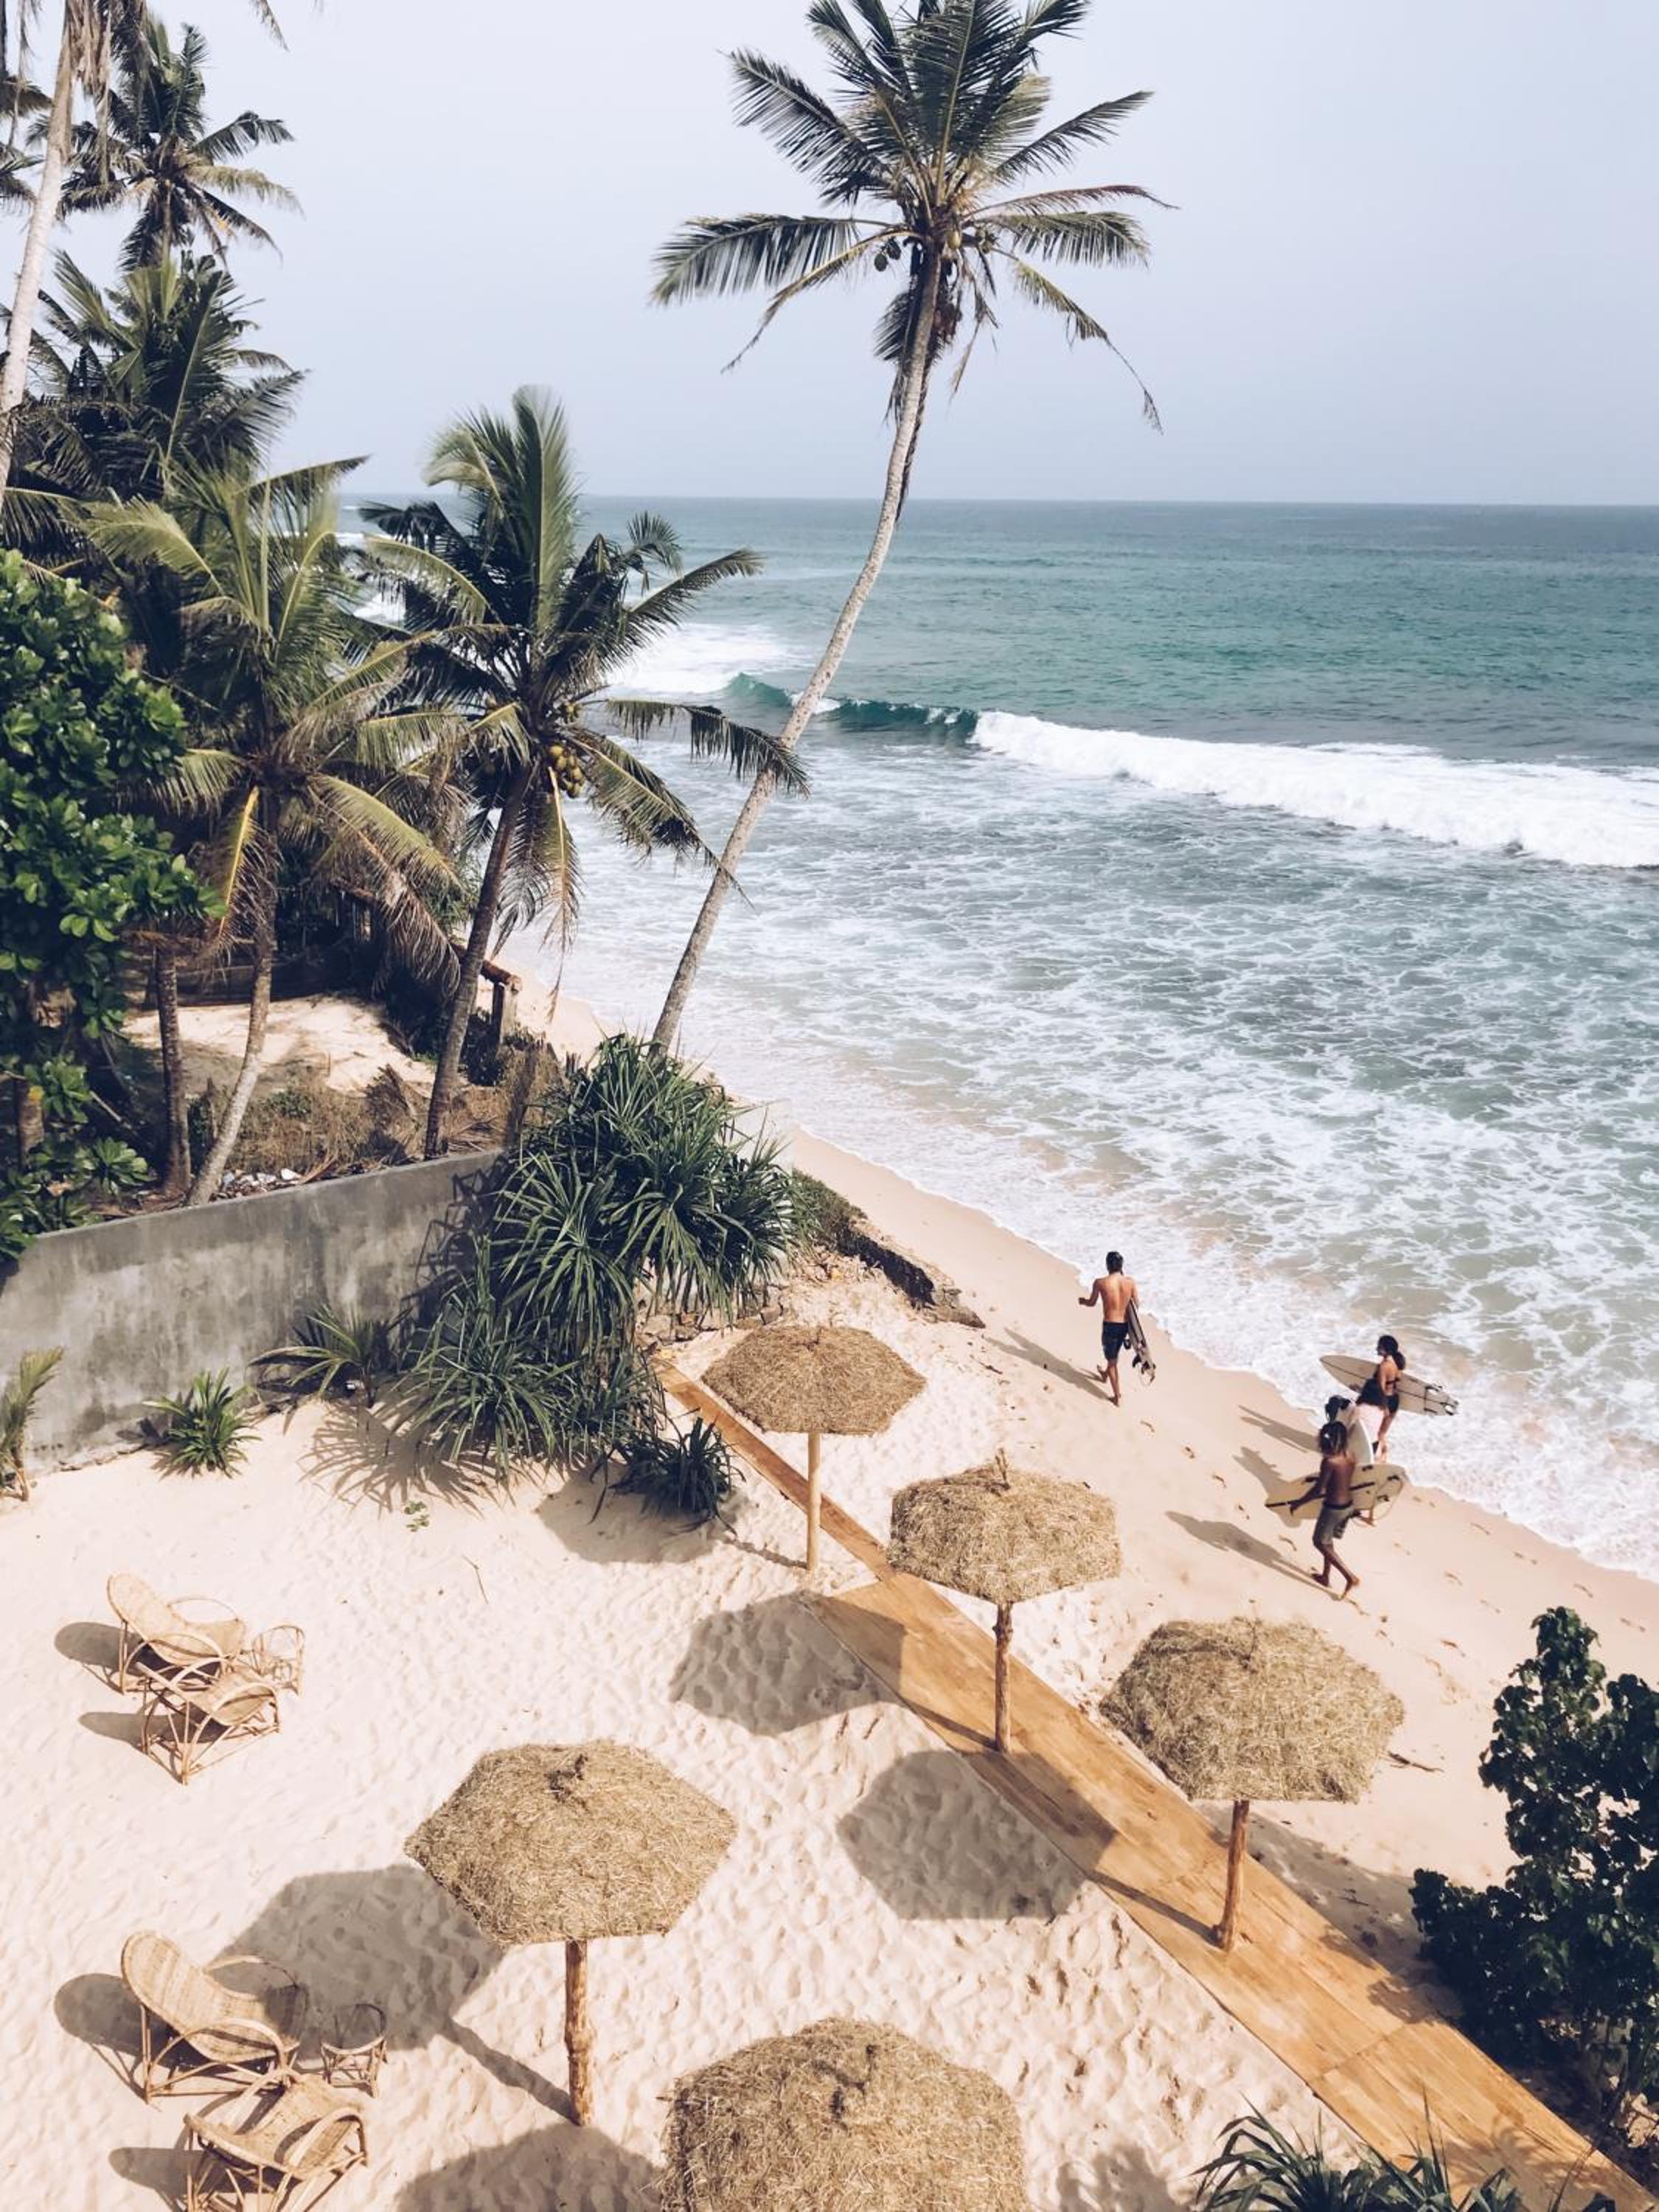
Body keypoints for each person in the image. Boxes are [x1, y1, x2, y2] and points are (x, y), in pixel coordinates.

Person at [1304, 1416, 1361, 1599]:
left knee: (1319, 1542)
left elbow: (1318, 1490)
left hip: (1333, 1508)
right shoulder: (1351, 1455)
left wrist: (1299, 1503)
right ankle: (1325, 1577)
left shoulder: (1329, 1462)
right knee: (1327, 1541)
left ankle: (1350, 1577)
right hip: (1348, 1507)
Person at [1079, 1251, 1138, 1406]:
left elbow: (1092, 1303)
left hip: (1110, 1326)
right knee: (1113, 1355)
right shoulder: (1130, 1282)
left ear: (1107, 1265)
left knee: (1112, 1362)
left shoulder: (1100, 1283)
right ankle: (1105, 1374)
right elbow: (1136, 1306)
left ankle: (1117, 1397)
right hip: (1124, 1327)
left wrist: (1083, 1301)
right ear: (1121, 1265)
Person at [1354, 1334, 1405, 1461]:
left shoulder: (1384, 1366)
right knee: (1382, 1434)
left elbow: (1380, 1389)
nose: (1376, 1348)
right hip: (1395, 1400)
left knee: (1377, 1433)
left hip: (1385, 1401)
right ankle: (1384, 1458)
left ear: (1386, 1349)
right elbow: (1396, 1382)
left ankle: (1377, 1458)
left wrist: (1361, 1391)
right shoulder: (1397, 1362)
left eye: (1379, 1347)